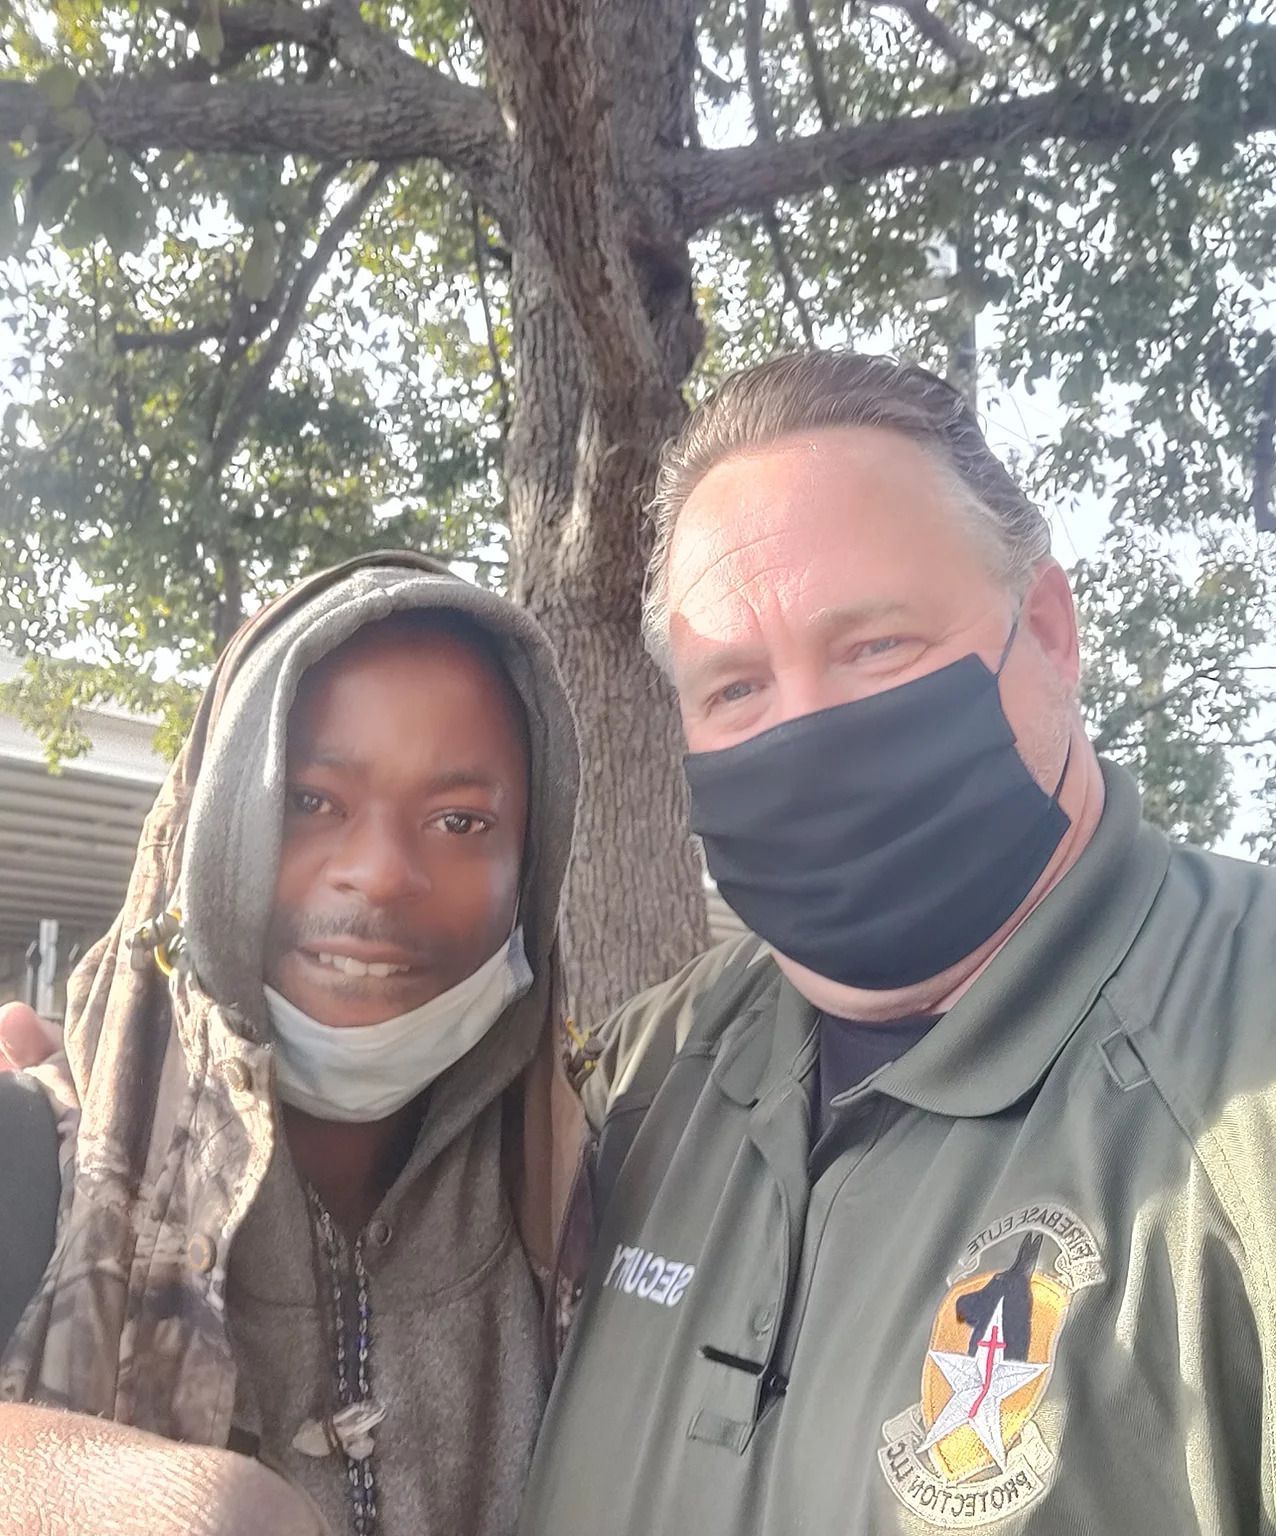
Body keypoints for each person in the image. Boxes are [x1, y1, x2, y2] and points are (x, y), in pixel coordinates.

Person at [519, 351, 1276, 1535]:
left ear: (1048, 632)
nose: (808, 735)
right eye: (733, 690)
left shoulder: (1247, 1059)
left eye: (875, 647)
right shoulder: (647, 1075)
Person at [0, 550, 587, 1536]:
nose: (381, 874)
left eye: (460, 820)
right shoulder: (23, 1169)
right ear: (211, 823)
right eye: (310, 801)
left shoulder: (603, 1213)